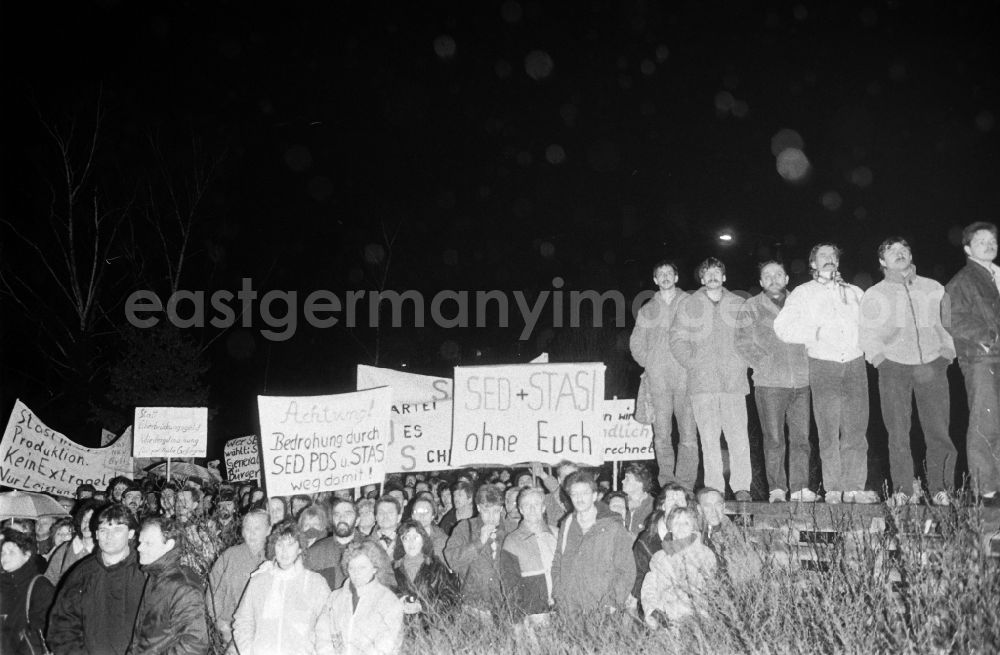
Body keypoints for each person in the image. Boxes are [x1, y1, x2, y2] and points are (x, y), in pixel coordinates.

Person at [774, 243, 878, 504]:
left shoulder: (855, 292)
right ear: (813, 264)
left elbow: (871, 326)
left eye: (833, 256)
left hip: (855, 363)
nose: (829, 260)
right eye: (823, 256)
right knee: (828, 430)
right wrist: (815, 334)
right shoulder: (802, 293)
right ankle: (833, 488)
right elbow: (782, 327)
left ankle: (854, 487)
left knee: (856, 429)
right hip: (823, 364)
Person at [861, 237, 957, 505]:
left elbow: (949, 323)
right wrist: (880, 358)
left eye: (904, 250)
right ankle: (904, 489)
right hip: (893, 367)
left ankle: (942, 488)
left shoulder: (934, 287)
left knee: (939, 429)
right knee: (898, 431)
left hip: (932, 364)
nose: (900, 254)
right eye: (892, 251)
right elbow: (867, 333)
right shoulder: (874, 294)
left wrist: (947, 353)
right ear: (882, 261)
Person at [669, 257, 753, 501]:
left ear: (724, 277)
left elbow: (750, 337)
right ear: (702, 279)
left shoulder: (739, 303)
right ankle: (714, 488)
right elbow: (676, 339)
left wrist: (742, 363)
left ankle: (742, 487)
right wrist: (693, 363)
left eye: (717, 272)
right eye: (707, 273)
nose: (713, 276)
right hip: (703, 384)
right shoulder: (689, 305)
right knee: (709, 438)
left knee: (738, 436)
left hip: (734, 383)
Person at [735, 261, 814, 503]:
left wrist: (809, 364)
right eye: (767, 276)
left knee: (801, 438)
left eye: (778, 274)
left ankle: (800, 488)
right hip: (769, 384)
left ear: (787, 278)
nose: (773, 279)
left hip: (801, 382)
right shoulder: (751, 306)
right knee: (774, 439)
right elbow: (742, 341)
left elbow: (813, 333)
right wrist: (763, 362)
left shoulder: (800, 303)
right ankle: (777, 489)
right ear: (760, 282)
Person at [630, 260, 699, 489]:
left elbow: (701, 335)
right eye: (661, 274)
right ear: (655, 280)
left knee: (688, 434)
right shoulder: (647, 309)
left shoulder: (690, 303)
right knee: (661, 436)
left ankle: (686, 485)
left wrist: (693, 363)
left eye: (669, 273)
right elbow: (636, 343)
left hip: (685, 378)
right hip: (657, 381)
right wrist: (649, 363)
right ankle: (667, 484)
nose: (665, 277)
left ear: (676, 278)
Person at [944, 221, 1000, 506]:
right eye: (981, 241)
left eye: (992, 240)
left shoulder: (998, 276)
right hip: (982, 359)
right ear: (967, 248)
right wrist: (989, 337)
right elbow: (950, 317)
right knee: (985, 422)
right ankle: (986, 489)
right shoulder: (964, 279)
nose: (989, 244)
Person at [48, 504, 146, 655]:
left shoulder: (145, 573)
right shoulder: (82, 573)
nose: (109, 536)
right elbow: (62, 625)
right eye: (103, 530)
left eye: (117, 530)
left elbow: (156, 626)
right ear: (97, 535)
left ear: (131, 533)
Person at [232, 520, 330, 655]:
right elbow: (243, 622)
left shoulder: (316, 583)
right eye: (279, 545)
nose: (284, 551)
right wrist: (249, 651)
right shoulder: (258, 581)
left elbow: (328, 627)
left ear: (300, 548)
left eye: (290, 545)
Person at [551, 471, 636, 613]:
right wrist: (559, 595)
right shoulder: (567, 524)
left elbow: (626, 570)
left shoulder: (612, 527)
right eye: (574, 494)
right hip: (570, 608)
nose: (579, 498)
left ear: (595, 495)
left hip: (602, 609)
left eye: (584, 493)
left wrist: (612, 602)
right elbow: (558, 562)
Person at [130, 515, 209, 654]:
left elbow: (195, 644)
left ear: (169, 545)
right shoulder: (156, 575)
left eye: (148, 543)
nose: (139, 548)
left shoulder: (183, 586)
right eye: (140, 542)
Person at [315, 541, 404, 655]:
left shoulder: (389, 602)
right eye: (352, 567)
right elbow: (322, 632)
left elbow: (386, 644)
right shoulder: (335, 597)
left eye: (362, 567)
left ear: (374, 568)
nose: (356, 573)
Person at [640, 506, 718, 629]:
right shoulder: (659, 557)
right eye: (676, 522)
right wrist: (653, 611)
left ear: (693, 526)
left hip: (696, 621)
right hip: (665, 620)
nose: (681, 527)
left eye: (686, 523)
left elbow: (710, 590)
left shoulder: (705, 555)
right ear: (669, 527)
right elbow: (649, 588)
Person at [206, 509, 270, 648]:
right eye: (247, 528)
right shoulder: (230, 556)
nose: (251, 533)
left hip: (264, 634)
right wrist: (220, 624)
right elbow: (214, 590)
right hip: (230, 632)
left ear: (268, 530)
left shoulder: (275, 557)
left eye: (257, 528)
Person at [443, 484, 511, 612]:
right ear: (479, 508)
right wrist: (479, 542)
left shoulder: (509, 530)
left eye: (496, 511)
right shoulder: (465, 527)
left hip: (503, 604)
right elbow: (452, 560)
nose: (491, 517)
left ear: (502, 509)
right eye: (486, 511)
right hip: (473, 604)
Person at [500, 487, 558, 623]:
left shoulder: (556, 534)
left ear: (543, 508)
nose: (532, 509)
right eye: (527, 505)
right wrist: (517, 620)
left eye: (536, 504)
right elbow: (510, 585)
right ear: (521, 509)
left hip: (559, 610)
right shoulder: (512, 540)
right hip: (531, 613)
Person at [631, 484, 692, 611]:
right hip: (655, 608)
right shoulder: (646, 541)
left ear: (686, 506)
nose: (676, 504)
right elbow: (636, 579)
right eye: (671, 500)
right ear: (663, 506)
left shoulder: (694, 539)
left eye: (680, 500)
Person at [392, 521, 459, 625]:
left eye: (416, 537)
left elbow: (451, 598)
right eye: (406, 538)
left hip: (432, 628)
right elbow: (384, 597)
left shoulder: (436, 566)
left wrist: (423, 606)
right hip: (401, 628)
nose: (411, 542)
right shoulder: (393, 569)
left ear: (423, 540)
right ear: (401, 542)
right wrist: (399, 601)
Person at [1, 528, 55, 655]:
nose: (5, 556)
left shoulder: (39, 586)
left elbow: (48, 631)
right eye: (2, 552)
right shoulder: (3, 584)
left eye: (11, 551)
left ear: (27, 554)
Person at [308, 498, 368, 590]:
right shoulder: (315, 552)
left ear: (357, 521)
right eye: (337, 514)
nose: (341, 518)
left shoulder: (371, 549)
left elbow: (386, 587)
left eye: (347, 514)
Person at [44, 498, 100, 586]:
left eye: (91, 521)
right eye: (84, 520)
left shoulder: (103, 551)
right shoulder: (65, 548)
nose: (86, 525)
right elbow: (49, 580)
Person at [531, 461, 578, 529]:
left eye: (573, 475)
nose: (570, 479)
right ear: (559, 480)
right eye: (565, 476)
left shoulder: (588, 498)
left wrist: (543, 475)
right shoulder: (547, 501)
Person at [407, 498, 448, 563]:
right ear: (412, 516)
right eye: (418, 511)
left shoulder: (441, 539)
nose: (422, 516)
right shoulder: (404, 537)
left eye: (426, 512)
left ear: (433, 516)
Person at [622, 463, 655, 536]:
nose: (622, 481)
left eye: (627, 479)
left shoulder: (653, 507)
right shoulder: (620, 502)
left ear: (640, 483)